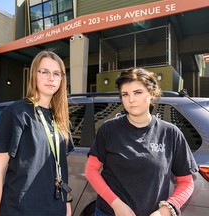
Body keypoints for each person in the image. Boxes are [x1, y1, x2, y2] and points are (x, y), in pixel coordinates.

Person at [85, 68, 199, 216]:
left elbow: (186, 182)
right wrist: (116, 204)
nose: (131, 99)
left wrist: (166, 210)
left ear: (151, 94)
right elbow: (91, 171)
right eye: (125, 94)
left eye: (137, 92)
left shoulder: (170, 133)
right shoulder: (108, 129)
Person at [0, 50, 74, 216]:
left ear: (62, 79)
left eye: (57, 73)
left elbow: (59, 168)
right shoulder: (16, 113)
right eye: (44, 72)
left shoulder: (61, 119)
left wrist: (67, 204)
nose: (51, 78)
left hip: (55, 209)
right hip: (20, 210)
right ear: (34, 74)